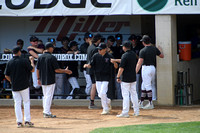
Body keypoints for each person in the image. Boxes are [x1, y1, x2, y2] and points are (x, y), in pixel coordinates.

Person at [36, 42, 72, 118]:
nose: (53, 49)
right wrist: (65, 71)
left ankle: (45, 111)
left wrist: (38, 78)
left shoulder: (40, 57)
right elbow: (57, 70)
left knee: (45, 96)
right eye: (52, 47)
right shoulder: (52, 57)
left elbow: (37, 69)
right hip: (50, 79)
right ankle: (47, 112)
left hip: (43, 79)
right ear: (49, 48)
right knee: (48, 96)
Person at [4, 46, 35, 127]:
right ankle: (27, 121)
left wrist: (11, 81)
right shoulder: (24, 60)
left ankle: (19, 122)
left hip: (15, 85)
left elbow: (6, 75)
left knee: (17, 103)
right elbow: (32, 70)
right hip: (24, 85)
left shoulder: (10, 62)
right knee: (26, 102)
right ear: (19, 52)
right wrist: (32, 61)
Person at [84, 43, 118, 115]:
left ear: (105, 49)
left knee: (102, 93)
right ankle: (108, 101)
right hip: (98, 77)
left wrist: (114, 63)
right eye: (98, 49)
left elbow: (116, 66)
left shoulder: (109, 56)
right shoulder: (96, 56)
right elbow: (91, 64)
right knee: (100, 94)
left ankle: (105, 108)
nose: (99, 50)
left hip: (106, 77)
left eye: (100, 49)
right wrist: (87, 65)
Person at [111, 41, 139, 118]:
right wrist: (116, 60)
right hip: (133, 77)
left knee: (126, 95)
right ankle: (136, 111)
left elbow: (121, 67)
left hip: (126, 78)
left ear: (125, 47)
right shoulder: (133, 54)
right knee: (134, 94)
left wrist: (118, 76)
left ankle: (125, 112)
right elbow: (124, 60)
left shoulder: (125, 55)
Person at [136, 35, 164, 109]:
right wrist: (160, 50)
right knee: (144, 85)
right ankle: (141, 102)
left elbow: (140, 62)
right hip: (152, 68)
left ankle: (151, 103)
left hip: (146, 68)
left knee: (147, 85)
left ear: (144, 42)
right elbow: (162, 56)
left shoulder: (143, 50)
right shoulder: (154, 49)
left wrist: (135, 71)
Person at [86, 33, 102, 109]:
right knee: (94, 85)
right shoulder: (95, 48)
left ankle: (92, 102)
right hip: (94, 69)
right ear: (98, 40)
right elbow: (96, 60)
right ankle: (92, 103)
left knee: (94, 85)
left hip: (90, 69)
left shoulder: (90, 47)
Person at [128, 34, 144, 100]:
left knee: (137, 85)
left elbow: (140, 58)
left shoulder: (139, 48)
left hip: (137, 68)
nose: (133, 41)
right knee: (129, 85)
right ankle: (131, 98)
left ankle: (138, 98)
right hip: (129, 68)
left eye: (134, 40)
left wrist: (135, 55)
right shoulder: (129, 48)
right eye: (132, 40)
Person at [80, 32, 93, 98]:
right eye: (88, 38)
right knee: (89, 83)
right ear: (85, 39)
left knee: (94, 83)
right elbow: (88, 52)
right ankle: (87, 97)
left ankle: (92, 97)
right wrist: (90, 44)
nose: (90, 39)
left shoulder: (93, 46)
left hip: (93, 67)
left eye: (91, 38)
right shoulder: (83, 46)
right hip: (86, 68)